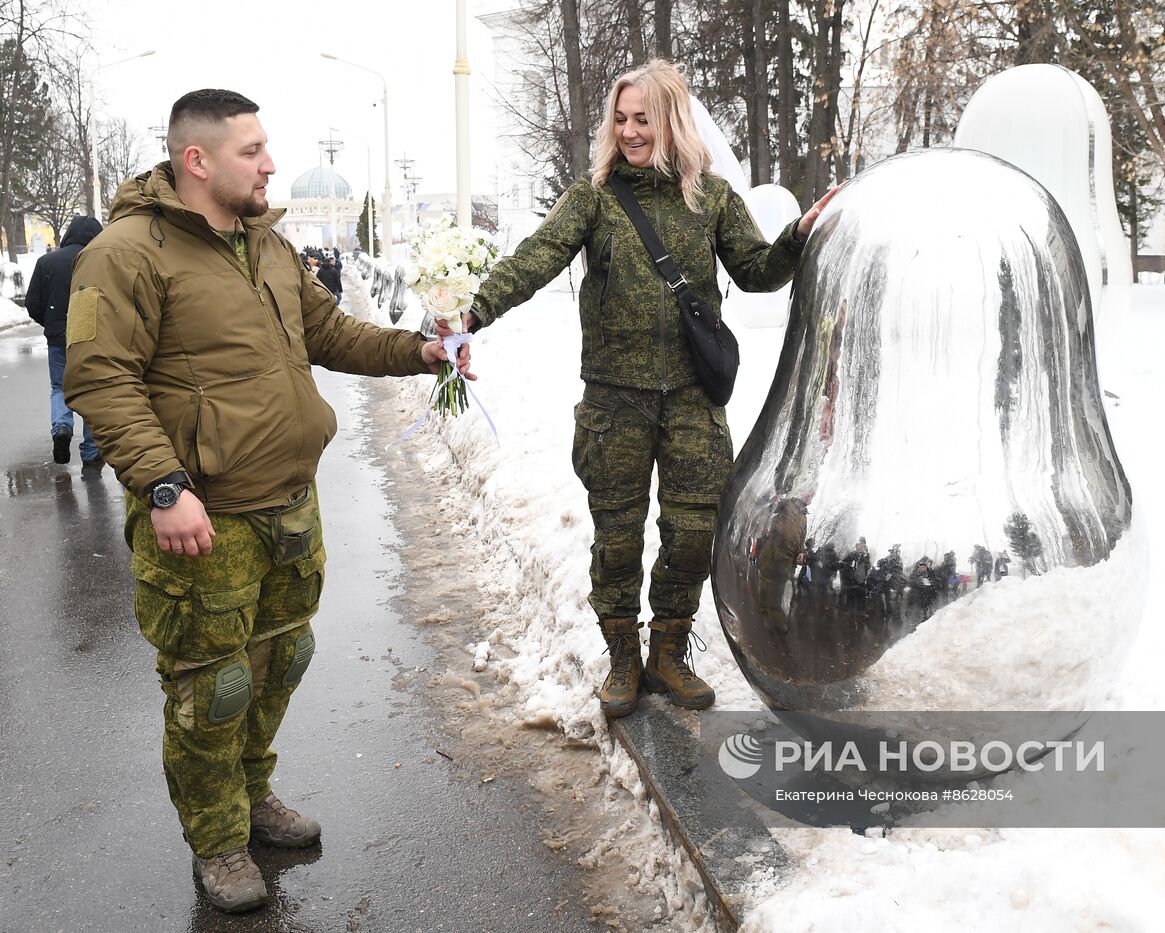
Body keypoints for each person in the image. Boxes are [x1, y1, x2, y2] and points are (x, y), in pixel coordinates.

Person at [63, 89, 471, 914]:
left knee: (281, 660)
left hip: (288, 502)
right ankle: (216, 839)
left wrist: (422, 352)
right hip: (203, 516)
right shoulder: (127, 252)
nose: (271, 163)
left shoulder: (267, 244)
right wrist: (164, 486)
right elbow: (98, 378)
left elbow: (332, 334)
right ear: (197, 161)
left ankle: (252, 795)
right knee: (211, 686)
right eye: (252, 150)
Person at [441, 59, 837, 718]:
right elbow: (534, 261)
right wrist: (473, 313)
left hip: (691, 401)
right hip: (613, 403)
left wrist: (797, 236)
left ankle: (667, 652)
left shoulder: (709, 199)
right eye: (620, 119)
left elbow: (758, 271)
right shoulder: (593, 198)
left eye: (642, 119)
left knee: (691, 535)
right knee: (616, 538)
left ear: (671, 121)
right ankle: (622, 656)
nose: (629, 131)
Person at [24, 215, 104, 466]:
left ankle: (61, 428)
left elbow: (32, 303)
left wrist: (52, 324)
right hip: (91, 337)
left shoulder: (46, 262)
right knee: (92, 390)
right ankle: (91, 451)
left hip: (58, 338)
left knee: (59, 387)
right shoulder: (98, 260)